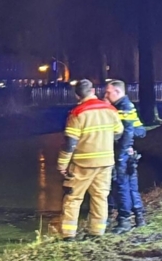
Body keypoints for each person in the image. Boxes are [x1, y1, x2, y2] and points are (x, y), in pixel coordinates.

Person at [57, 80, 124, 240]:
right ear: (93, 91)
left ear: (76, 95)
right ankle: (97, 232)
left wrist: (62, 164)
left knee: (73, 198)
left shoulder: (77, 113)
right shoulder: (110, 109)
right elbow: (119, 132)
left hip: (82, 164)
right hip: (106, 162)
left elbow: (70, 143)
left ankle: (68, 235)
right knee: (100, 197)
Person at [103, 80, 148, 232]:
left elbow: (130, 130)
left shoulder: (124, 107)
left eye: (108, 92)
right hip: (128, 153)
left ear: (117, 91)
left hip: (123, 154)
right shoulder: (124, 106)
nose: (106, 95)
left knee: (122, 186)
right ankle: (139, 218)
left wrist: (122, 151)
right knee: (131, 186)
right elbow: (139, 130)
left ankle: (124, 221)